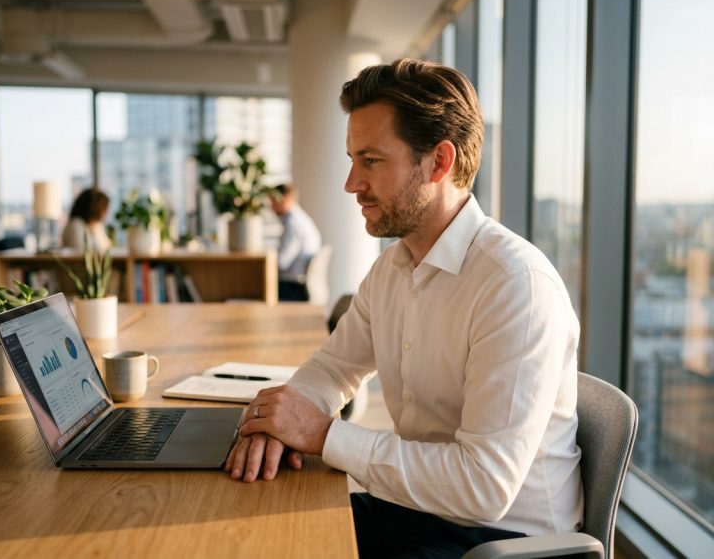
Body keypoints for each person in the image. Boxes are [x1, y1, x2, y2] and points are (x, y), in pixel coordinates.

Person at [224, 58, 583, 558]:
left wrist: (324, 434)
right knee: (259, 533)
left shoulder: (515, 286)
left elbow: (484, 489)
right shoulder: (394, 268)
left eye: (371, 161)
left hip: (504, 542)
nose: (351, 183)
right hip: (421, 511)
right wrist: (281, 424)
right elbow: (334, 367)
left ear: (438, 162)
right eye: (353, 160)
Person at [269, 183, 322, 301]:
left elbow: (281, 262)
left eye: (273, 201)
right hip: (296, 285)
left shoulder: (293, 223)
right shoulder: (299, 218)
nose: (271, 206)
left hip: (293, 289)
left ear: (286, 199)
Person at [61, 187, 111, 252]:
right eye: (105, 208)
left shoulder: (96, 225)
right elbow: (82, 251)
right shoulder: (75, 225)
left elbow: (106, 249)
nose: (106, 213)